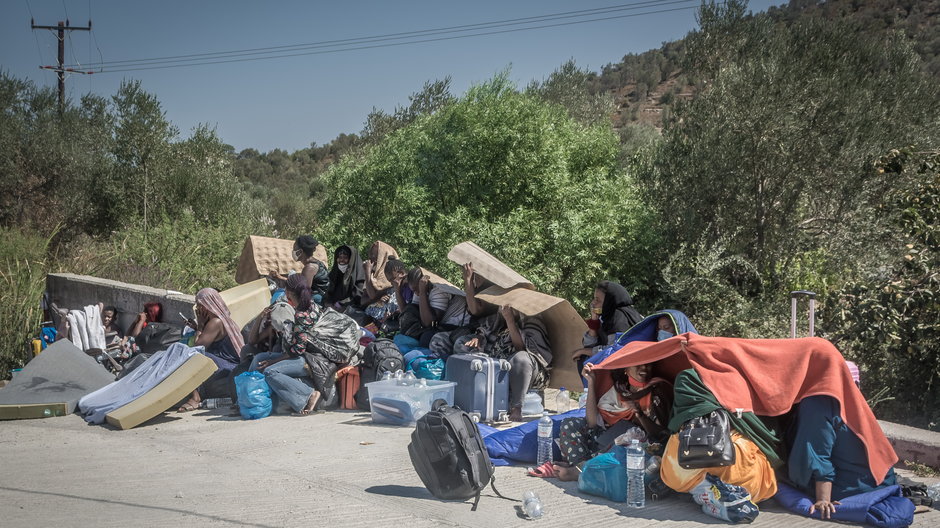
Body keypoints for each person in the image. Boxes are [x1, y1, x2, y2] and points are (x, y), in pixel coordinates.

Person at [549, 361, 672, 481]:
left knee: (627, 431)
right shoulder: (620, 388)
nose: (644, 368)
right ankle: (581, 466)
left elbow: (660, 434)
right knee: (569, 424)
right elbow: (592, 422)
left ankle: (580, 470)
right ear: (626, 369)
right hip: (603, 442)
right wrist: (591, 382)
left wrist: (640, 415)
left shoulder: (657, 390)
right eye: (638, 363)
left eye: (648, 364)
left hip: (633, 448)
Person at [786, 395, 898, 518]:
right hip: (883, 480)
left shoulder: (816, 402)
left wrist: (823, 500)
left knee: (775, 477)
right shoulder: (842, 392)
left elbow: (818, 454)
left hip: (856, 489)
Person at [250, 274, 333, 415]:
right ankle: (250, 398)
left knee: (270, 371)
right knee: (258, 358)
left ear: (288, 293)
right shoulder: (313, 305)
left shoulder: (301, 314)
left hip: (310, 359)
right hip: (304, 354)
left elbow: (298, 350)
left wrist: (273, 361)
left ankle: (309, 395)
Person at [454, 304, 552, 422]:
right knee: (462, 345)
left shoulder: (532, 320)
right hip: (497, 366)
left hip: (527, 370)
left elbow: (520, 347)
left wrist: (510, 320)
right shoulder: (498, 319)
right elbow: (485, 331)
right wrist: (478, 337)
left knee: (521, 359)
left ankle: (516, 407)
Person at [177, 288, 245, 412]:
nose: (198, 309)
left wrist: (201, 326)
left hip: (227, 367)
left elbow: (198, 347)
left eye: (200, 306)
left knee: (190, 356)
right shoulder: (223, 319)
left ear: (207, 306)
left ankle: (195, 397)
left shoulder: (215, 322)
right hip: (228, 364)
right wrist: (198, 326)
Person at [574, 281, 644, 363]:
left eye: (598, 300)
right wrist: (594, 320)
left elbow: (613, 351)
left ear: (608, 301)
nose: (593, 303)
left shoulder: (619, 318)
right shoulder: (606, 317)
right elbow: (588, 345)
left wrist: (583, 351)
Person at [280, 235, 329, 305]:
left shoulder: (309, 268)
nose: (293, 251)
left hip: (320, 301)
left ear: (300, 252)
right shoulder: (317, 263)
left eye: (294, 249)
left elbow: (304, 292)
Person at [361, 242, 400, 322]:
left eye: (376, 256)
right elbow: (363, 301)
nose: (372, 259)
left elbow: (372, 295)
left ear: (384, 257)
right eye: (371, 255)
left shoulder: (392, 276)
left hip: (389, 318)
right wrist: (376, 299)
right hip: (371, 317)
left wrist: (367, 273)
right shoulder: (373, 275)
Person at [324, 245, 366, 309]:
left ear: (351, 260)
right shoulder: (335, 273)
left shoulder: (360, 275)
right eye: (340, 257)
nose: (342, 260)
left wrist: (340, 304)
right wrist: (328, 303)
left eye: (345, 258)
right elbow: (329, 292)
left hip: (351, 309)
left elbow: (357, 296)